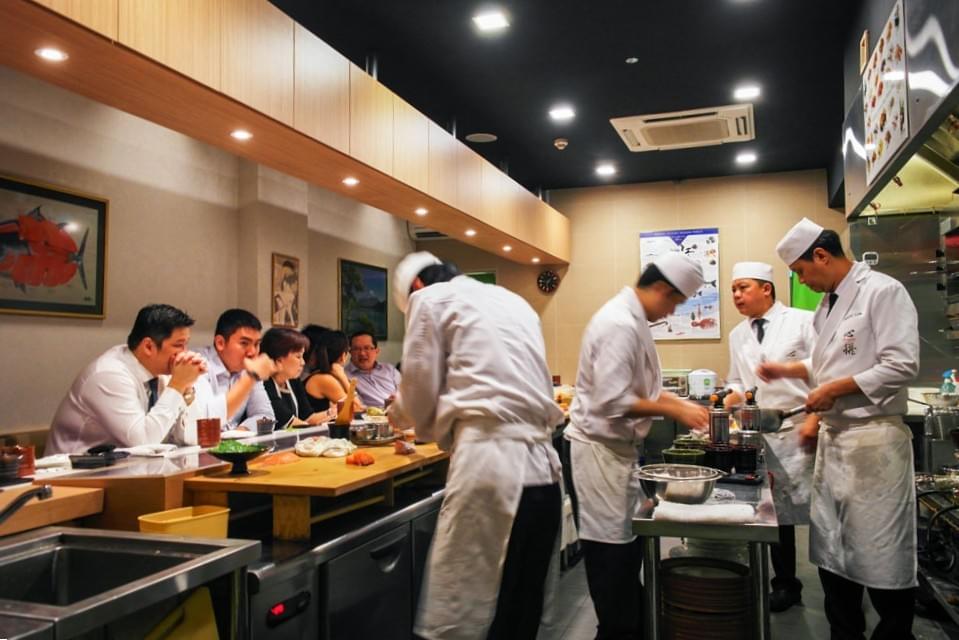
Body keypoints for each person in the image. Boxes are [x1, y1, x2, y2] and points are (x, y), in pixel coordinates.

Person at [758, 218, 919, 640]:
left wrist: (835, 390)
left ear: (822, 256)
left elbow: (901, 364)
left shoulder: (882, 292)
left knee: (879, 556)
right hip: (836, 444)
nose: (802, 280)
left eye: (801, 271)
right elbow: (829, 364)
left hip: (873, 444)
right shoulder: (827, 305)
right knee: (833, 555)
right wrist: (790, 370)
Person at [389, 251, 564, 640]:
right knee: (520, 605)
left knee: (462, 609)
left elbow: (418, 392)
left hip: (490, 468)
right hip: (544, 471)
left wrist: (398, 417)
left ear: (416, 286)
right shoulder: (513, 301)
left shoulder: (429, 300)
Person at [565, 251, 709, 640]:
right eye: (674, 302)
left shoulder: (633, 319)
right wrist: (674, 411)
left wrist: (678, 403)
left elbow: (640, 387)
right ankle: (616, 631)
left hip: (616, 454)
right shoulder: (618, 323)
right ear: (661, 288)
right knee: (610, 555)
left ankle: (629, 626)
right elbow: (612, 400)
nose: (671, 311)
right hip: (597, 452)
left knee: (624, 552)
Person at [723, 261, 818, 612]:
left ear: (766, 288)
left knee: (819, 512)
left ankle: (839, 585)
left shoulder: (802, 321)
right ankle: (785, 584)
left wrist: (816, 420)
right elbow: (737, 380)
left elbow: (826, 369)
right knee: (776, 514)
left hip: (802, 428)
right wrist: (729, 398)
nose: (736, 295)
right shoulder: (738, 334)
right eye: (733, 289)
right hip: (762, 432)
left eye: (743, 287)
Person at [47, 304, 208, 454]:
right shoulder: (109, 374)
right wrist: (178, 385)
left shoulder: (162, 374)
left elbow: (192, 438)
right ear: (148, 347)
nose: (184, 353)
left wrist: (186, 388)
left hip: (125, 471)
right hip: (74, 475)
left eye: (186, 344)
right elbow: (144, 443)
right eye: (179, 345)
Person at [195, 309, 276, 430]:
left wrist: (240, 432)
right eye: (244, 343)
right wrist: (251, 377)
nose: (252, 352)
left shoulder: (247, 368)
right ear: (220, 343)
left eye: (256, 344)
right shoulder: (198, 363)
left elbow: (266, 416)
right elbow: (204, 423)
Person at [260, 327, 335, 429]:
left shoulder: (293, 380)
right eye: (298, 357)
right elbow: (292, 423)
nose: (303, 363)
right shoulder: (264, 384)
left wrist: (332, 412)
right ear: (279, 359)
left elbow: (308, 417)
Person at [304, 329, 365, 414]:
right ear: (343, 356)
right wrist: (343, 377)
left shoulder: (321, 375)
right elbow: (357, 408)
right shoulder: (324, 379)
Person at [345, 331, 401, 408]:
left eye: (367, 348)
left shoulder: (390, 370)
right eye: (356, 349)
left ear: (376, 351)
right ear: (350, 352)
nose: (362, 353)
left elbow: (406, 393)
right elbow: (357, 407)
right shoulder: (345, 376)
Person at [272, 259, 299, 326]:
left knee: (282, 302)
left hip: (288, 299)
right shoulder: (283, 277)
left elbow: (293, 292)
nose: (285, 272)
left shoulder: (293, 279)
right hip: (283, 298)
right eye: (284, 270)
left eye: (286, 270)